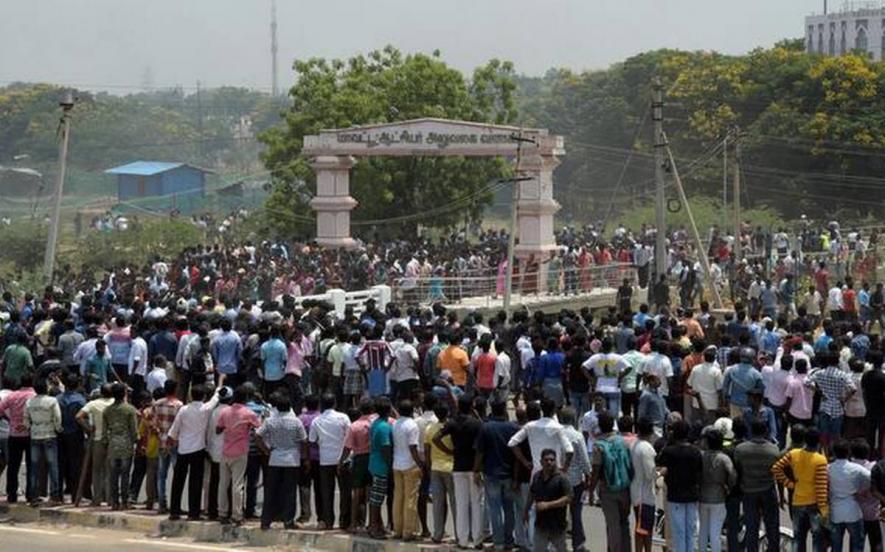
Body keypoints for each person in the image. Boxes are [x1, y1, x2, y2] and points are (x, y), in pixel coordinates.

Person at [435, 395, 484, 549]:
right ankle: (477, 539)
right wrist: (477, 469)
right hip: (473, 468)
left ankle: (462, 540)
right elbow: (479, 448)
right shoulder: (477, 424)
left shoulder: (452, 423)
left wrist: (449, 451)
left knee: (461, 504)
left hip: (458, 467)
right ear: (471, 407)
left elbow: (436, 438)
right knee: (476, 504)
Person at [255, 391, 308, 530]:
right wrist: (305, 458)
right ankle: (288, 521)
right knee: (290, 492)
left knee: (270, 491)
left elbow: (258, 436)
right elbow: (304, 441)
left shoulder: (270, 421)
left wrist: (266, 451)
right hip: (292, 460)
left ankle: (265, 521)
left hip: (275, 459)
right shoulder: (296, 421)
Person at [166, 384, 219, 520]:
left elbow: (174, 430)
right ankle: (193, 513)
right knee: (195, 482)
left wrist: (169, 442)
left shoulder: (183, 410)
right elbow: (216, 397)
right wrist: (220, 382)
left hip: (183, 449)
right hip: (198, 449)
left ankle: (174, 511)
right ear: (204, 396)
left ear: (191, 395)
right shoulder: (206, 409)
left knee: (178, 481)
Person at [772, 427, 829, 552]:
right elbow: (821, 487)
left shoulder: (793, 454)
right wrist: (824, 510)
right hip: (814, 505)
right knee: (816, 538)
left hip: (797, 501)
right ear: (818, 442)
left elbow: (776, 468)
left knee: (798, 538)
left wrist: (790, 484)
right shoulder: (820, 460)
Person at [474, 399, 520, 551]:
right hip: (509, 474)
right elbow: (516, 455)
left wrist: (476, 470)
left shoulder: (486, 428)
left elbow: (480, 452)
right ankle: (509, 541)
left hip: (491, 473)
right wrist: (516, 476)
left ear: (491, 411)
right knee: (509, 509)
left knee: (494, 509)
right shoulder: (513, 427)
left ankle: (498, 543)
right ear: (505, 410)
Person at [588, 411, 633, 552]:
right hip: (625, 488)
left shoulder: (599, 446)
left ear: (600, 427)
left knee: (613, 525)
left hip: (607, 490)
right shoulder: (624, 442)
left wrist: (590, 492)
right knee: (624, 522)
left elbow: (596, 471)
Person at [216, 384, 260, 525]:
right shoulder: (248, 413)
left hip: (226, 450)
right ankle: (237, 515)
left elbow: (218, 429)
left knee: (223, 484)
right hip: (240, 451)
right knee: (237, 485)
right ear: (246, 398)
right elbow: (259, 428)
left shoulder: (225, 411)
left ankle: (222, 513)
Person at [733, 420, 780, 552]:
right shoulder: (773, 450)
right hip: (768, 491)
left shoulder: (740, 450)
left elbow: (737, 470)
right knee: (772, 527)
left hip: (748, 491)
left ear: (751, 431)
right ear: (765, 431)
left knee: (751, 527)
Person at [656, 419, 703, 552]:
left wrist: (669, 441)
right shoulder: (695, 452)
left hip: (675, 496)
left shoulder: (669, 452)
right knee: (691, 531)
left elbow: (658, 462)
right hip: (692, 495)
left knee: (679, 532)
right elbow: (700, 473)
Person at [309, 392, 352, 530]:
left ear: (322, 404)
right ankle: (345, 522)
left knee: (327, 493)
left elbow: (312, 440)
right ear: (335, 403)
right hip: (342, 459)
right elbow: (349, 436)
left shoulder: (317, 420)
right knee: (345, 492)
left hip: (325, 460)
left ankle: (328, 522)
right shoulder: (343, 417)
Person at [827, 439, 871, 552]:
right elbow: (873, 478)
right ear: (848, 453)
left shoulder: (828, 468)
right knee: (857, 546)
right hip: (853, 511)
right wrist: (863, 492)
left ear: (834, 453)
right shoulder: (856, 469)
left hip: (835, 511)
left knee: (836, 547)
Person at [24, 377, 62, 506]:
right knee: (53, 466)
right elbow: (57, 418)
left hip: (35, 435)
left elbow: (25, 420)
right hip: (50, 434)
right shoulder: (52, 401)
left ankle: (33, 497)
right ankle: (55, 496)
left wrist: (31, 428)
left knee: (34, 467)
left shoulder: (29, 402)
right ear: (46, 388)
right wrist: (58, 429)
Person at [525, 448, 572, 552]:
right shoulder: (537, 476)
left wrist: (548, 505)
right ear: (541, 461)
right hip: (541, 524)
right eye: (546, 460)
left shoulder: (561, 478)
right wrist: (526, 511)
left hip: (557, 526)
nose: (549, 462)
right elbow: (532, 493)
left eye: (552, 460)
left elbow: (568, 498)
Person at [391, 399, 425, 541]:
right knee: (410, 499)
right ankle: (408, 531)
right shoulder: (412, 425)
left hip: (397, 463)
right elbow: (413, 448)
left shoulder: (395, 424)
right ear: (412, 411)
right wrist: (421, 464)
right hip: (410, 465)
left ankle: (398, 529)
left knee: (398, 498)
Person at [76, 383, 114, 506]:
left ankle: (97, 498)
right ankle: (109, 499)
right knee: (109, 470)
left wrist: (87, 429)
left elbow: (78, 416)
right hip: (111, 439)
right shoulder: (115, 402)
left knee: (97, 470)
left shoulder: (94, 404)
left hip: (97, 439)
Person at [0, 373, 36, 503]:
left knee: (13, 466)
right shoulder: (34, 396)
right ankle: (31, 494)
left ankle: (11, 494)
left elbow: (0, 409)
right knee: (31, 465)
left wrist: (9, 419)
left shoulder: (12, 396)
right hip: (30, 434)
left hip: (14, 434)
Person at [698, 428, 736, 552]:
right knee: (715, 533)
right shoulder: (724, 458)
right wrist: (729, 487)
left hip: (702, 496)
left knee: (703, 530)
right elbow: (732, 475)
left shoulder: (701, 456)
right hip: (719, 497)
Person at [102, 383, 138, 510]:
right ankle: (124, 501)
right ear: (124, 394)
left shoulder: (107, 411)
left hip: (113, 445)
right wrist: (136, 441)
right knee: (125, 475)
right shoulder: (130, 409)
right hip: (126, 445)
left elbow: (104, 432)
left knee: (113, 475)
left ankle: (114, 502)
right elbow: (134, 430)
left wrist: (106, 443)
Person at [425, 402, 455, 544]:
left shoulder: (429, 429)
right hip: (450, 467)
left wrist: (428, 468)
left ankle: (437, 534)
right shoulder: (451, 428)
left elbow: (427, 451)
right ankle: (458, 533)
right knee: (455, 503)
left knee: (438, 503)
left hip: (435, 468)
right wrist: (450, 452)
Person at [151, 380, 182, 513]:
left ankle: (162, 504)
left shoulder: (157, 404)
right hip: (175, 442)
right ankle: (176, 505)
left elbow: (153, 424)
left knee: (161, 474)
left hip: (162, 441)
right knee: (177, 474)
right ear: (175, 389)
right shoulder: (179, 405)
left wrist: (160, 435)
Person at [56, 371, 86, 503]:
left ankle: (58, 495)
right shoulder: (80, 400)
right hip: (75, 435)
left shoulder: (57, 399)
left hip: (60, 434)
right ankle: (75, 495)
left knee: (60, 465)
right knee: (75, 466)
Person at [367, 398, 393, 540]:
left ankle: (378, 525)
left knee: (375, 497)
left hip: (374, 463)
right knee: (377, 499)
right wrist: (390, 465)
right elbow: (386, 448)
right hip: (381, 466)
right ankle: (373, 527)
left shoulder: (376, 423)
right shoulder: (384, 427)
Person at [631, 417, 658, 552]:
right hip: (644, 495)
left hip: (638, 492)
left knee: (645, 529)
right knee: (642, 529)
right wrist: (661, 473)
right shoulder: (646, 448)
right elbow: (650, 474)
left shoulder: (634, 444)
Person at [686, 345, 723, 425]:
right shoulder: (716, 372)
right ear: (714, 359)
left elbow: (689, 384)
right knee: (709, 426)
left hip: (696, 404)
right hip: (711, 404)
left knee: (697, 425)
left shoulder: (695, 369)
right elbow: (720, 389)